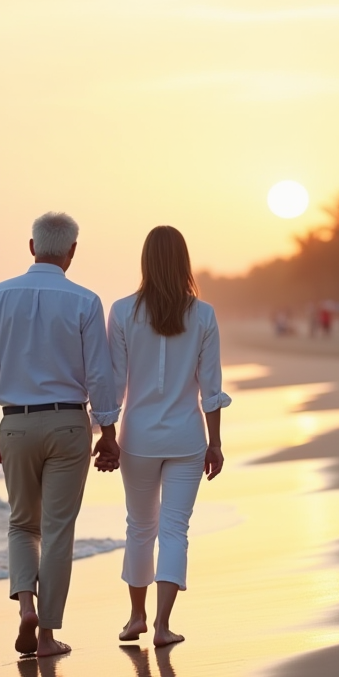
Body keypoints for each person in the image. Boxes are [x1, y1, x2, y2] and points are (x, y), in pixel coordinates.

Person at [0, 211, 121, 658]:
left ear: (32, 246)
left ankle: (25, 609)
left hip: (15, 422)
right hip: (68, 423)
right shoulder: (85, 301)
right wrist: (108, 432)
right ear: (71, 252)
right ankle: (47, 635)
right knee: (57, 530)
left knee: (22, 523)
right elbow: (99, 374)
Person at [108, 226, 231, 648]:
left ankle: (135, 618)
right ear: (184, 262)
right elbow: (211, 387)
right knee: (175, 529)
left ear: (145, 261)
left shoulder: (122, 312)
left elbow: (115, 384)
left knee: (139, 526)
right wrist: (215, 443)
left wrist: (103, 430)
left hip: (138, 437)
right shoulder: (204, 315)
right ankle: (162, 626)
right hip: (186, 437)